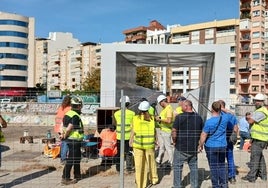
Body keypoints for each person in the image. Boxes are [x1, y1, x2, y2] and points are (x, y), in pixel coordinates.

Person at [172, 99, 203, 188]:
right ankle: (195, 185)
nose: (181, 107)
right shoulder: (198, 117)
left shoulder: (179, 117)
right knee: (193, 167)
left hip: (181, 147)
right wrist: (200, 145)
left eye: (182, 106)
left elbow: (174, 131)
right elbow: (202, 133)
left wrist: (174, 141)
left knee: (177, 167)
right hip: (193, 147)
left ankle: (177, 186)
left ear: (186, 106)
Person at [198, 101, 228, 188]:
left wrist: (200, 145)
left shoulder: (209, 122)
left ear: (212, 109)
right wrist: (222, 109)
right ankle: (224, 185)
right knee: (222, 165)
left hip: (211, 146)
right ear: (220, 109)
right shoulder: (225, 118)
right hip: (222, 145)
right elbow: (231, 113)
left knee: (214, 167)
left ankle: (216, 185)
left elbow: (204, 135)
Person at [129, 101, 158, 188]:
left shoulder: (135, 118)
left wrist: (131, 141)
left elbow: (133, 131)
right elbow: (154, 130)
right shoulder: (152, 118)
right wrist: (156, 140)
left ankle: (140, 184)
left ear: (139, 109)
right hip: (149, 145)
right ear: (148, 109)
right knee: (151, 163)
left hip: (138, 145)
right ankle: (154, 179)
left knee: (139, 166)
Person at [242, 93, 268, 182]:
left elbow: (250, 121)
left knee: (254, 158)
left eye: (258, 101)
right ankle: (263, 175)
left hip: (259, 139)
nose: (256, 102)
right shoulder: (262, 110)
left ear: (262, 102)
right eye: (256, 101)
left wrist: (249, 117)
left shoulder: (261, 111)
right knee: (260, 158)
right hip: (260, 138)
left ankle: (251, 177)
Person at [60, 96, 84, 185]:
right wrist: (65, 136)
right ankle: (65, 178)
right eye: (80, 105)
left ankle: (77, 174)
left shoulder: (68, 113)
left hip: (73, 140)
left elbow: (63, 126)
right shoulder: (75, 116)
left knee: (77, 158)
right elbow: (69, 127)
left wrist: (63, 135)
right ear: (78, 106)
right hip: (74, 140)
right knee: (71, 159)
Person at [218, 100, 239, 184]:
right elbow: (236, 127)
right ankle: (232, 177)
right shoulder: (231, 115)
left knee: (221, 159)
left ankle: (222, 178)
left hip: (221, 139)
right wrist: (234, 136)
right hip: (229, 138)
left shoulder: (219, 115)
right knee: (230, 158)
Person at [114, 95, 135, 172]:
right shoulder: (132, 113)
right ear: (128, 104)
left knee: (119, 153)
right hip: (129, 137)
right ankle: (129, 168)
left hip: (119, 136)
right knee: (129, 152)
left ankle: (118, 168)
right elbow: (133, 126)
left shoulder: (116, 113)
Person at [155, 94, 174, 167]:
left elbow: (169, 120)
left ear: (162, 101)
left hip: (166, 130)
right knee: (162, 146)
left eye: (160, 103)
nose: (160, 105)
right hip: (163, 130)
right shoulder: (165, 109)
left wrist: (159, 119)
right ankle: (158, 159)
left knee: (168, 147)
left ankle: (171, 162)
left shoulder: (169, 108)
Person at [54, 95, 71, 164]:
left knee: (63, 142)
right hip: (63, 128)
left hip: (58, 127)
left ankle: (62, 156)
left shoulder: (61, 107)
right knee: (66, 143)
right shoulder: (69, 108)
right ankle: (63, 159)